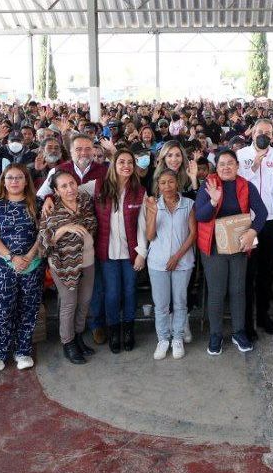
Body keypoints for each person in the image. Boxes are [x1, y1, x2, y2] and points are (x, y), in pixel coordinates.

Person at [194, 149, 266, 355]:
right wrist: (213, 201)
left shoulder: (246, 186)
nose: (226, 167)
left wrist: (253, 232)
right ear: (216, 167)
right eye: (222, 164)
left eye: (230, 163)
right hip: (213, 247)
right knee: (217, 292)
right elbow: (200, 216)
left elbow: (262, 212)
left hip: (239, 246)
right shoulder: (208, 185)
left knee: (238, 290)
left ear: (237, 166)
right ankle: (215, 334)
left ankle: (238, 331)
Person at [0, 163, 44, 371]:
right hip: (3, 266)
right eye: (10, 178)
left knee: (29, 309)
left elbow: (43, 232)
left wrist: (29, 256)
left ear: (26, 181)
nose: (14, 181)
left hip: (32, 264)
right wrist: (12, 258)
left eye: (19, 177)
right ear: (3, 181)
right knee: (4, 309)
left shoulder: (38, 203)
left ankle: (23, 351)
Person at [92, 149, 148, 354]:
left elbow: (143, 225)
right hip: (107, 253)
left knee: (130, 291)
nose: (126, 166)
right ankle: (114, 330)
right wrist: (49, 197)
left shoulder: (140, 191)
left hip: (131, 253)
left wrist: (142, 253)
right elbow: (69, 189)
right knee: (112, 293)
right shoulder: (98, 186)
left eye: (130, 162)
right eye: (121, 162)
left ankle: (128, 330)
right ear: (113, 165)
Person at [237, 119, 273, 339]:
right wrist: (254, 167)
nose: (263, 136)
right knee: (248, 272)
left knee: (266, 271)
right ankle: (247, 321)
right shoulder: (241, 155)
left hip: (271, 219)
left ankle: (263, 315)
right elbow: (239, 184)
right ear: (252, 134)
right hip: (248, 221)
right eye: (260, 132)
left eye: (268, 133)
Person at [39, 170, 98, 364]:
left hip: (87, 260)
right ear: (55, 191)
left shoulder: (85, 201)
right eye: (63, 186)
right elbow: (43, 244)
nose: (70, 188)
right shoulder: (51, 209)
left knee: (85, 301)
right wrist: (63, 229)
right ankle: (68, 342)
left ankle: (78, 336)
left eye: (72, 183)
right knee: (69, 303)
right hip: (63, 264)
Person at [143, 169, 196, 360]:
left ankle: (178, 338)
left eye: (171, 182)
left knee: (180, 303)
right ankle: (163, 339)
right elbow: (150, 236)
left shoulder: (188, 204)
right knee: (161, 305)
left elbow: (193, 234)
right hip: (158, 263)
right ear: (158, 186)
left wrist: (177, 257)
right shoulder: (154, 205)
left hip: (183, 262)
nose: (167, 186)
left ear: (177, 183)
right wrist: (153, 213)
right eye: (163, 183)